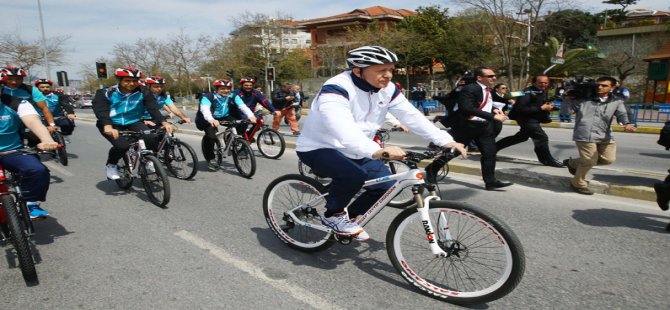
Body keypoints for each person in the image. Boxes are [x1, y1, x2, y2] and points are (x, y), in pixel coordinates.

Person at [296, 45, 466, 241]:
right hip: (321, 145)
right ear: (358, 71)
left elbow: (411, 116)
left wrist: (445, 141)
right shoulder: (336, 89)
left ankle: (345, 220)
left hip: (360, 148)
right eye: (381, 70)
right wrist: (377, 151)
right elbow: (341, 127)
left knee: (386, 186)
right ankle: (333, 215)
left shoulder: (387, 89)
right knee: (353, 175)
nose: (388, 75)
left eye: (391, 70)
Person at [92, 66, 172, 180]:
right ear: (119, 80)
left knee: (151, 137)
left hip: (133, 121)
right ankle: (111, 165)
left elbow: (153, 109)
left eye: (134, 81)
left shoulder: (144, 92)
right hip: (111, 123)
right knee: (122, 145)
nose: (131, 84)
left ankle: (149, 160)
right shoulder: (106, 93)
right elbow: (101, 110)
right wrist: (108, 126)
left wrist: (164, 122)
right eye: (127, 81)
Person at [562, 76, 636, 195]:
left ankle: (573, 163)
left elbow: (622, 114)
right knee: (589, 161)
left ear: (612, 87)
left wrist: (626, 124)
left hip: (605, 135)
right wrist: (566, 99)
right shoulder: (584, 99)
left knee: (608, 159)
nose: (600, 87)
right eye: (598, 85)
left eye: (604, 85)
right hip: (585, 134)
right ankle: (578, 183)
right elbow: (565, 112)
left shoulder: (617, 101)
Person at [0, 79, 59, 219]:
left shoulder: (17, 103)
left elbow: (33, 121)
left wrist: (47, 140)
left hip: (11, 151)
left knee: (38, 170)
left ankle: (30, 202)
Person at [448, 66, 513, 190]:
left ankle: (490, 181)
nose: (494, 78)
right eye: (490, 76)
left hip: (484, 126)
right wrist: (493, 116)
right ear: (479, 78)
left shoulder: (488, 89)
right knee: (455, 152)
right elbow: (467, 108)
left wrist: (494, 109)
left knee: (490, 153)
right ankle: (432, 170)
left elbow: (485, 104)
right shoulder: (470, 89)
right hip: (468, 127)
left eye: (494, 75)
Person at [495, 75, 564, 167]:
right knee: (541, 138)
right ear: (534, 82)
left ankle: (492, 149)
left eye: (545, 83)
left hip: (534, 118)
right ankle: (547, 160)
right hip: (526, 119)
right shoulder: (526, 92)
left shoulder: (541, 91)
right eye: (540, 82)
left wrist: (548, 107)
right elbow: (521, 108)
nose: (543, 84)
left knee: (521, 137)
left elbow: (537, 104)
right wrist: (541, 107)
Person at [195, 79, 257, 171]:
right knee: (211, 137)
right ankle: (211, 159)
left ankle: (231, 138)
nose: (226, 91)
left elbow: (242, 106)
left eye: (228, 88)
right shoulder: (208, 96)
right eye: (222, 88)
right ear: (216, 89)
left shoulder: (233, 95)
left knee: (242, 123)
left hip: (225, 116)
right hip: (208, 118)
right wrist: (211, 119)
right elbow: (205, 109)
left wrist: (251, 116)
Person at [0, 66, 57, 134]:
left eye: (18, 79)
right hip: (7, 121)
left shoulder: (31, 90)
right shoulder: (1, 90)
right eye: (10, 79)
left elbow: (44, 108)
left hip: (31, 120)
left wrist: (52, 125)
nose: (14, 82)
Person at [33, 79, 77, 143]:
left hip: (57, 116)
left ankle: (65, 137)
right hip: (41, 117)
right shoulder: (33, 96)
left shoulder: (58, 95)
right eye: (42, 87)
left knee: (67, 123)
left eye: (47, 87)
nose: (45, 89)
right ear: (37, 88)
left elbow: (66, 104)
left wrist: (70, 113)